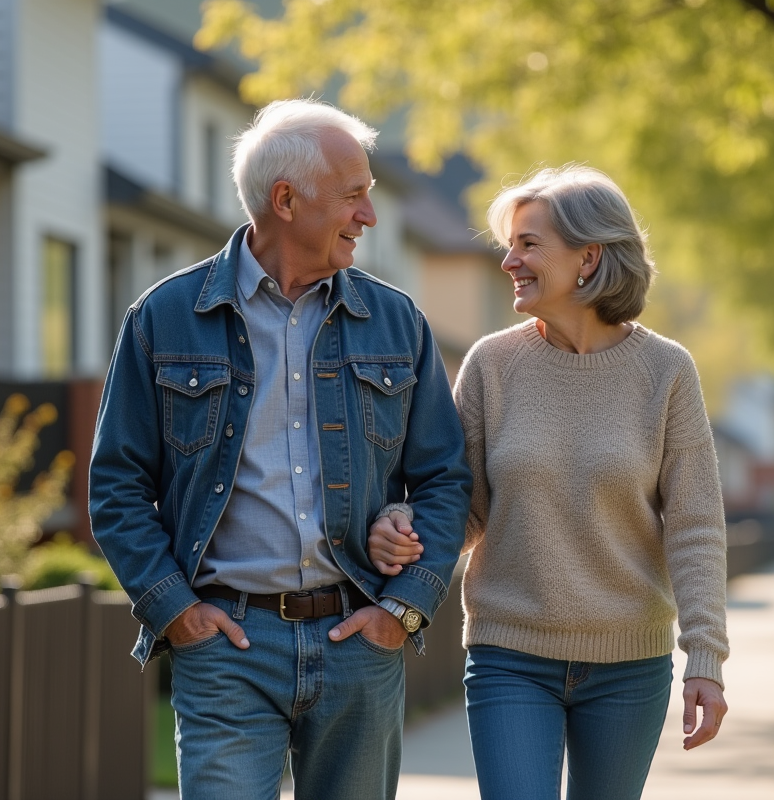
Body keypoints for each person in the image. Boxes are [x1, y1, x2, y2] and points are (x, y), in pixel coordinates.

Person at [89, 99, 472, 800]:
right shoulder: (163, 318)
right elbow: (116, 486)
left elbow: (445, 479)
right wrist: (174, 608)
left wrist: (402, 608)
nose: (370, 218)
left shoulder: (397, 321)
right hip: (225, 649)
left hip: (358, 644)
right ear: (287, 200)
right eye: (354, 196)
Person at [369, 166, 730, 800]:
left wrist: (706, 657)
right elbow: (463, 506)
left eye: (529, 244)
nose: (509, 260)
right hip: (510, 655)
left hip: (629, 665)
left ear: (589, 256)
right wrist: (407, 530)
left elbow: (696, 524)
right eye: (510, 244)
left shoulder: (666, 370)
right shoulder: (491, 364)